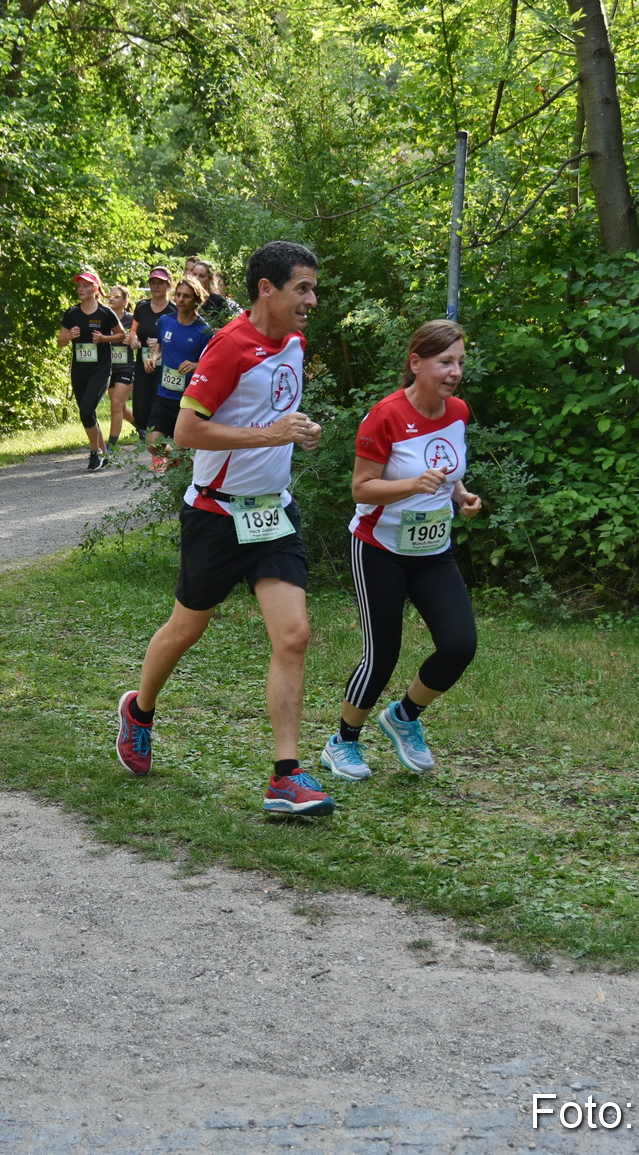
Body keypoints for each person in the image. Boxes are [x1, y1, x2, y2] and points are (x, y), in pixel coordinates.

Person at [114, 241, 333, 816]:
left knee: (294, 635)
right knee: (188, 628)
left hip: (272, 512)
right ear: (268, 289)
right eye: (302, 288)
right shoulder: (231, 346)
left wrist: (299, 431)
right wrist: (274, 435)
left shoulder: (293, 341)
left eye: (313, 288)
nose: (312, 299)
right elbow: (186, 432)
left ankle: (285, 776)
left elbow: (271, 416)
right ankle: (139, 710)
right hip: (216, 514)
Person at [319, 319, 483, 781]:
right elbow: (361, 489)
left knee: (459, 646)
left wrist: (461, 496)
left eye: (460, 363)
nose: (454, 372)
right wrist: (413, 485)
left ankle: (405, 716)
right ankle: (342, 743)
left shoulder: (458, 412)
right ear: (416, 363)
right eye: (444, 362)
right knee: (383, 652)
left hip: (433, 551)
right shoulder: (385, 415)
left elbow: (448, 470)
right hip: (379, 548)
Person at [56, 269, 124, 472]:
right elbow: (60, 342)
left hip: (101, 370)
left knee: (86, 410)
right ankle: (103, 454)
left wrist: (104, 338)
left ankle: (94, 453)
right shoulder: (72, 313)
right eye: (79, 286)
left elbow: (121, 335)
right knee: (88, 414)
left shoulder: (105, 313)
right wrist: (68, 336)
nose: (81, 289)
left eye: (86, 286)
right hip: (79, 371)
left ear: (95, 288)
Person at [145, 274, 212, 472]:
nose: (181, 300)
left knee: (182, 442)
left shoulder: (204, 330)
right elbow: (161, 346)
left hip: (188, 399)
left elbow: (212, 365)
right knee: (152, 443)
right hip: (164, 393)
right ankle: (185, 462)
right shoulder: (165, 321)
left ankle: (185, 477)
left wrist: (195, 365)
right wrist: (154, 357)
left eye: (186, 296)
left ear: (197, 299)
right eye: (178, 295)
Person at [128, 267, 176, 443]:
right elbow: (133, 330)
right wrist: (133, 339)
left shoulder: (174, 310)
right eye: (153, 282)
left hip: (165, 368)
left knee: (160, 410)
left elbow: (180, 337)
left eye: (160, 283)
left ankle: (161, 449)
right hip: (143, 366)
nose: (156, 286)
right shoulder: (141, 307)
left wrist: (161, 344)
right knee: (140, 414)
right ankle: (158, 445)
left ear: (168, 285)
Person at [105, 284, 137, 451]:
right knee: (121, 407)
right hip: (109, 368)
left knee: (116, 405)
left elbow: (140, 343)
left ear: (125, 301)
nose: (111, 298)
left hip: (126, 368)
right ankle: (142, 429)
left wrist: (131, 341)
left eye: (116, 296)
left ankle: (111, 446)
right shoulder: (105, 318)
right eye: (110, 296)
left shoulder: (131, 320)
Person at [192, 258, 242, 330]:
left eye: (201, 276)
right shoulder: (185, 298)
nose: (196, 279)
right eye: (194, 275)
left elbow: (228, 328)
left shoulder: (218, 301)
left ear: (210, 279)